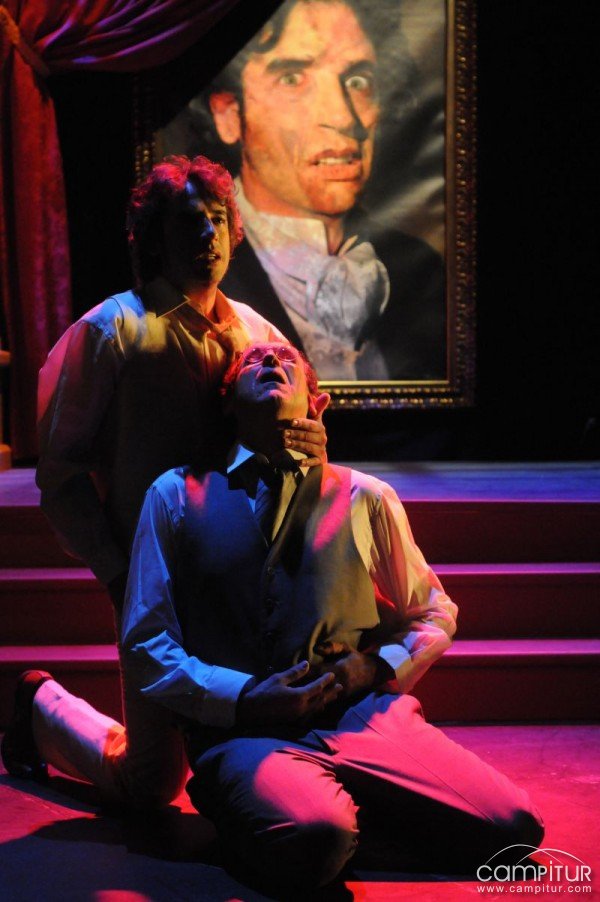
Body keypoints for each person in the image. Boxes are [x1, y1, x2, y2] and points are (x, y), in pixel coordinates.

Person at [120, 341, 544, 893]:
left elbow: (433, 612)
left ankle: (313, 820)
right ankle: (290, 816)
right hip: (246, 731)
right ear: (226, 402)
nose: (269, 362)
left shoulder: (366, 495)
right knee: (316, 839)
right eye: (253, 360)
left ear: (316, 404)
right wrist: (243, 697)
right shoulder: (175, 494)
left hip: (363, 718)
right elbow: (147, 641)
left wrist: (373, 668)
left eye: (287, 360)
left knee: (514, 830)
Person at [1, 155, 327, 810]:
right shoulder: (112, 329)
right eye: (188, 222)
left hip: (238, 573)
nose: (208, 234)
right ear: (155, 238)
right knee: (152, 783)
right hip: (150, 577)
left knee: (255, 740)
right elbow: (61, 473)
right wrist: (117, 570)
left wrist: (313, 448)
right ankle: (41, 708)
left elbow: (302, 437)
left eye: (218, 219)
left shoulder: (257, 333)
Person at [200, 0, 446, 381]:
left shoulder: (421, 270)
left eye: (358, 81)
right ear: (229, 115)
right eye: (292, 78)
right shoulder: (202, 277)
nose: (343, 117)